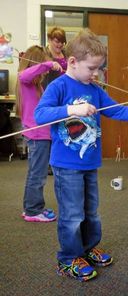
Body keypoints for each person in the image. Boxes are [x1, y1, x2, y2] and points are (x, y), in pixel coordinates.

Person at [34, 28, 128, 282]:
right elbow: (40, 115)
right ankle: (68, 259)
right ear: (72, 62)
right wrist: (72, 109)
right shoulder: (59, 85)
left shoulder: (94, 88)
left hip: (90, 162)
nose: (96, 74)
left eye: (99, 68)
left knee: (91, 211)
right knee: (72, 214)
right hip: (66, 165)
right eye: (92, 68)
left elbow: (116, 110)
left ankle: (87, 249)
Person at [16, 45, 63, 222]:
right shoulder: (25, 79)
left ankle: (30, 207)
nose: (43, 72)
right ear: (36, 63)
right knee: (38, 174)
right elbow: (24, 74)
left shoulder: (35, 86)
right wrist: (48, 64)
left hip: (40, 134)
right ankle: (33, 211)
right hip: (37, 135)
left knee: (35, 172)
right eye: (41, 65)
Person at [43, 26, 67, 175]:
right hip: (49, 94)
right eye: (56, 41)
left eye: (61, 42)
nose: (58, 45)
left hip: (64, 95)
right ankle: (49, 163)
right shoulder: (44, 55)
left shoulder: (66, 54)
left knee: (63, 128)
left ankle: (61, 160)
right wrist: (48, 64)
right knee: (49, 131)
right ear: (50, 40)